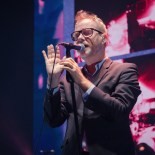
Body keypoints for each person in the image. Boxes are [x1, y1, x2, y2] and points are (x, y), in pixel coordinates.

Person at [42, 10, 141, 155]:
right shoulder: (67, 80)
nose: (80, 38)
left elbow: (118, 110)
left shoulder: (125, 70)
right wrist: (53, 82)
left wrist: (81, 80)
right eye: (76, 35)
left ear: (104, 38)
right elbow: (53, 120)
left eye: (87, 32)